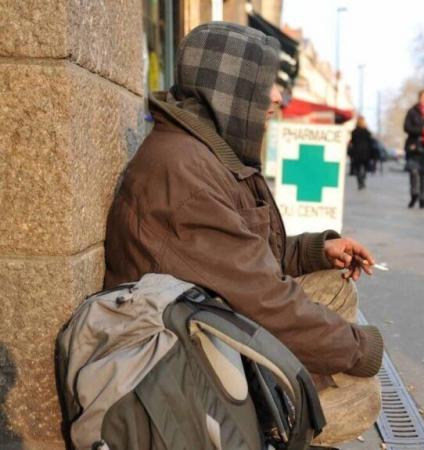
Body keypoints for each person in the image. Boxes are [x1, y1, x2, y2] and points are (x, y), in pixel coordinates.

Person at [103, 23, 383, 444]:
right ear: (228, 90)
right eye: (265, 84)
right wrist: (363, 349)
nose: (277, 97)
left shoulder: (205, 148)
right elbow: (263, 300)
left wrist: (314, 251)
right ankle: (271, 425)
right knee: (362, 395)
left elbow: (243, 255)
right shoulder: (186, 174)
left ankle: (300, 386)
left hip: (213, 332)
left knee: (333, 285)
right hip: (187, 368)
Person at [348, 116, 373, 190]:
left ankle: (360, 182)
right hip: (366, 152)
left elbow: (352, 142)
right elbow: (370, 142)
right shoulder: (367, 132)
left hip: (357, 152)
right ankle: (363, 179)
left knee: (358, 168)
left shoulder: (354, 131)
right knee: (365, 167)